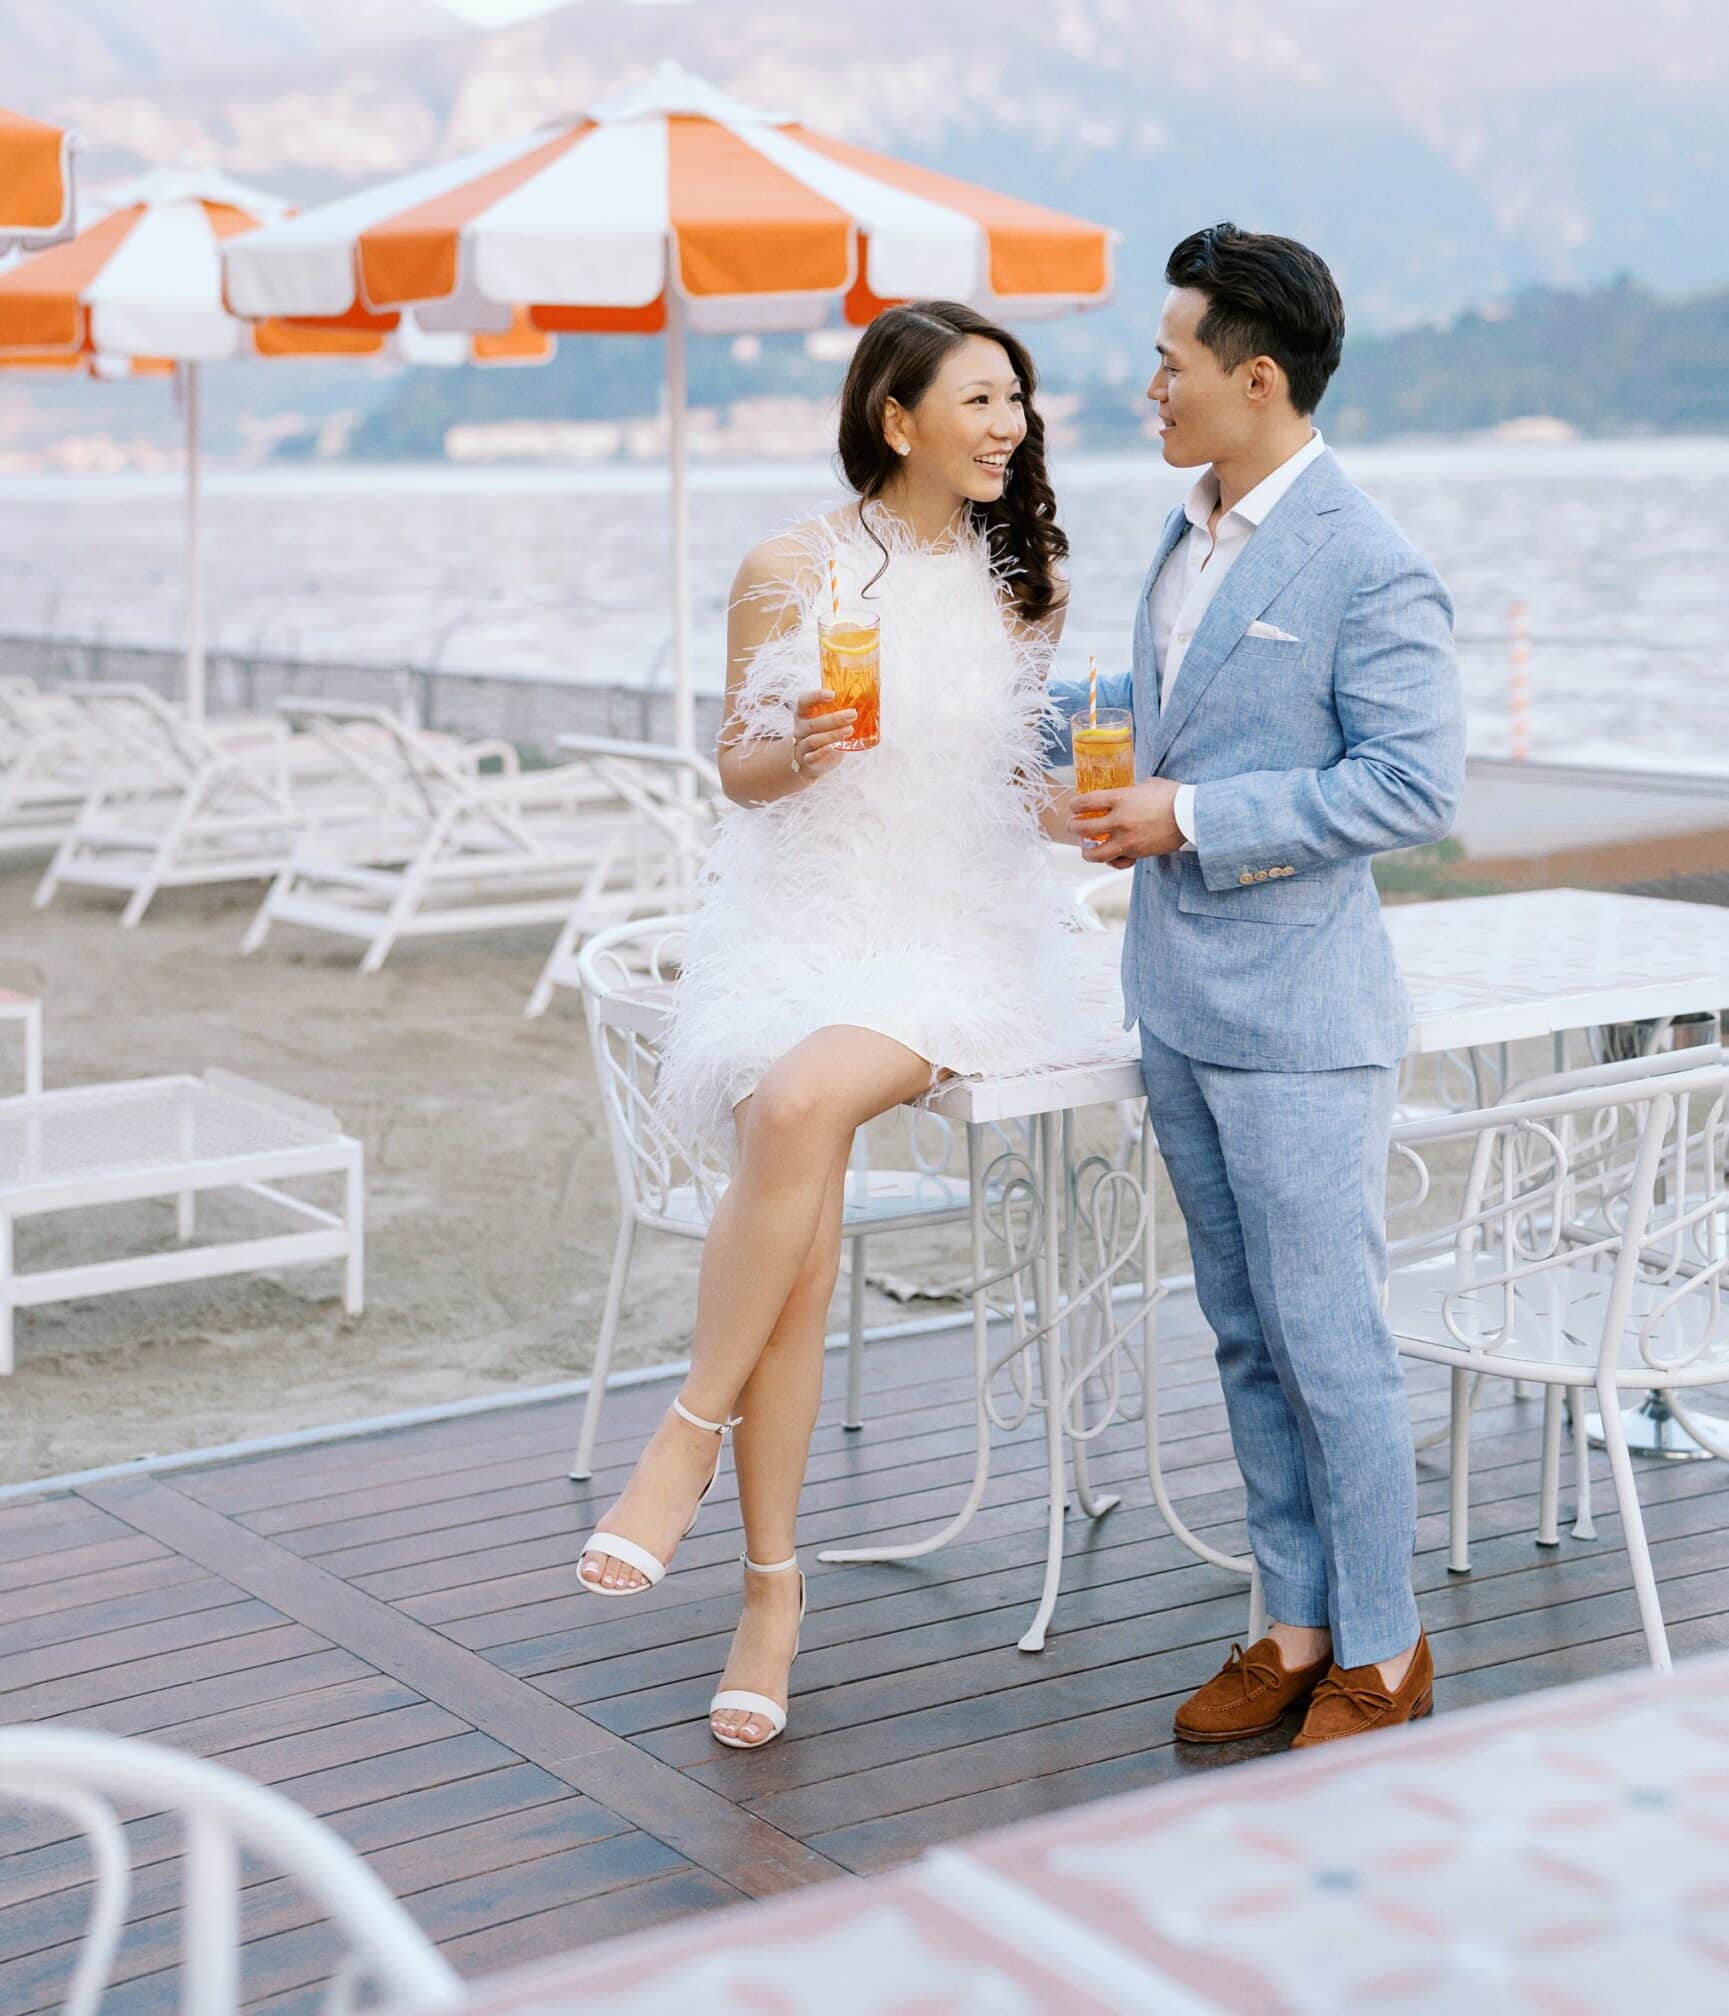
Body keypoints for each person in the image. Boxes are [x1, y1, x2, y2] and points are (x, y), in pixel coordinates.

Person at [577, 300, 1119, 1752]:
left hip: (955, 936)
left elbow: (1020, 784)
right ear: (897, 419)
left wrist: (1089, 812)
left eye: (1016, 400)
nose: (1008, 425)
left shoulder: (1032, 581)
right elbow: (736, 776)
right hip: (801, 920)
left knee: (801, 1106)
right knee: (796, 1231)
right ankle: (770, 1595)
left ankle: (681, 1439)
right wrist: (793, 749)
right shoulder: (789, 568)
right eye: (978, 401)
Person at [1048, 222, 1465, 1748]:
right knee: (1238, 1329)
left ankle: (1385, 1649)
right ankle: (1290, 1627)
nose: (1145, 386)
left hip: (1300, 1020)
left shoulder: (1367, 558)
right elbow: (1176, 729)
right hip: (1174, 999)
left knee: (1328, 1336)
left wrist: (1198, 818)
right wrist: (1092, 785)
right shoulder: (1182, 535)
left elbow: (1413, 786)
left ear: (1257, 378)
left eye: (1167, 362)